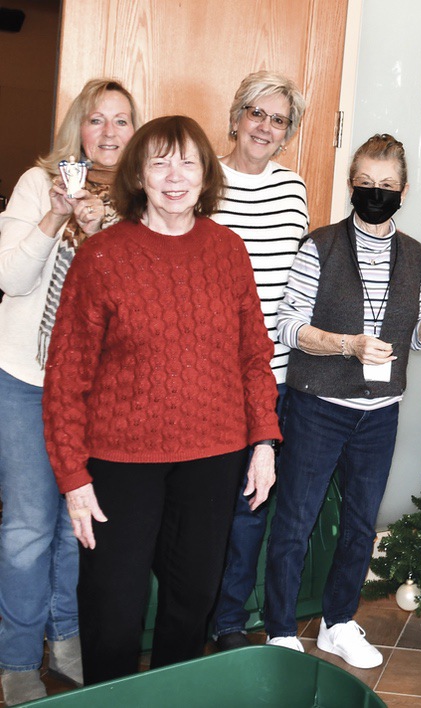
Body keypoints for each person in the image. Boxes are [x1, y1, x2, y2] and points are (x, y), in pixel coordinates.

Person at [41, 115, 281, 685]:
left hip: (213, 455)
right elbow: (66, 375)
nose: (174, 177)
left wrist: (265, 440)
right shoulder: (102, 256)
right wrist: (74, 478)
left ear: (205, 175)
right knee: (113, 610)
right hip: (120, 464)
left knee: (190, 603)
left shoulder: (228, 250)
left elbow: (254, 355)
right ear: (139, 176)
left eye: (188, 162)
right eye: (159, 162)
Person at [263, 134, 421, 669]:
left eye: (387, 186)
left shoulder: (414, 254)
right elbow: (286, 324)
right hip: (318, 406)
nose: (376, 193)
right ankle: (280, 629)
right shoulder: (320, 246)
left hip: (380, 412)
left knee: (359, 522)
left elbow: (406, 335)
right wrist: (344, 344)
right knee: (296, 520)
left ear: (403, 190)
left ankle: (338, 623)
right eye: (366, 184)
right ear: (351, 185)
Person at [0, 78, 139, 704]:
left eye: (121, 121)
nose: (108, 133)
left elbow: (134, 302)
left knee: (72, 525)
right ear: (76, 129)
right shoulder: (38, 184)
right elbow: (9, 277)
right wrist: (58, 213)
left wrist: (104, 233)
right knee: (30, 525)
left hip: (94, 389)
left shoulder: (141, 200)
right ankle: (17, 656)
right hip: (26, 379)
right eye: (95, 120)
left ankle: (66, 638)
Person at [209, 70, 310, 653]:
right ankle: (187, 615)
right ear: (237, 115)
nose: (265, 127)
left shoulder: (292, 188)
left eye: (278, 120)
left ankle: (227, 622)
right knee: (197, 506)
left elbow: (296, 282)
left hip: (271, 378)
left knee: (251, 510)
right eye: (257, 113)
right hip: (206, 377)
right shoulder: (202, 178)